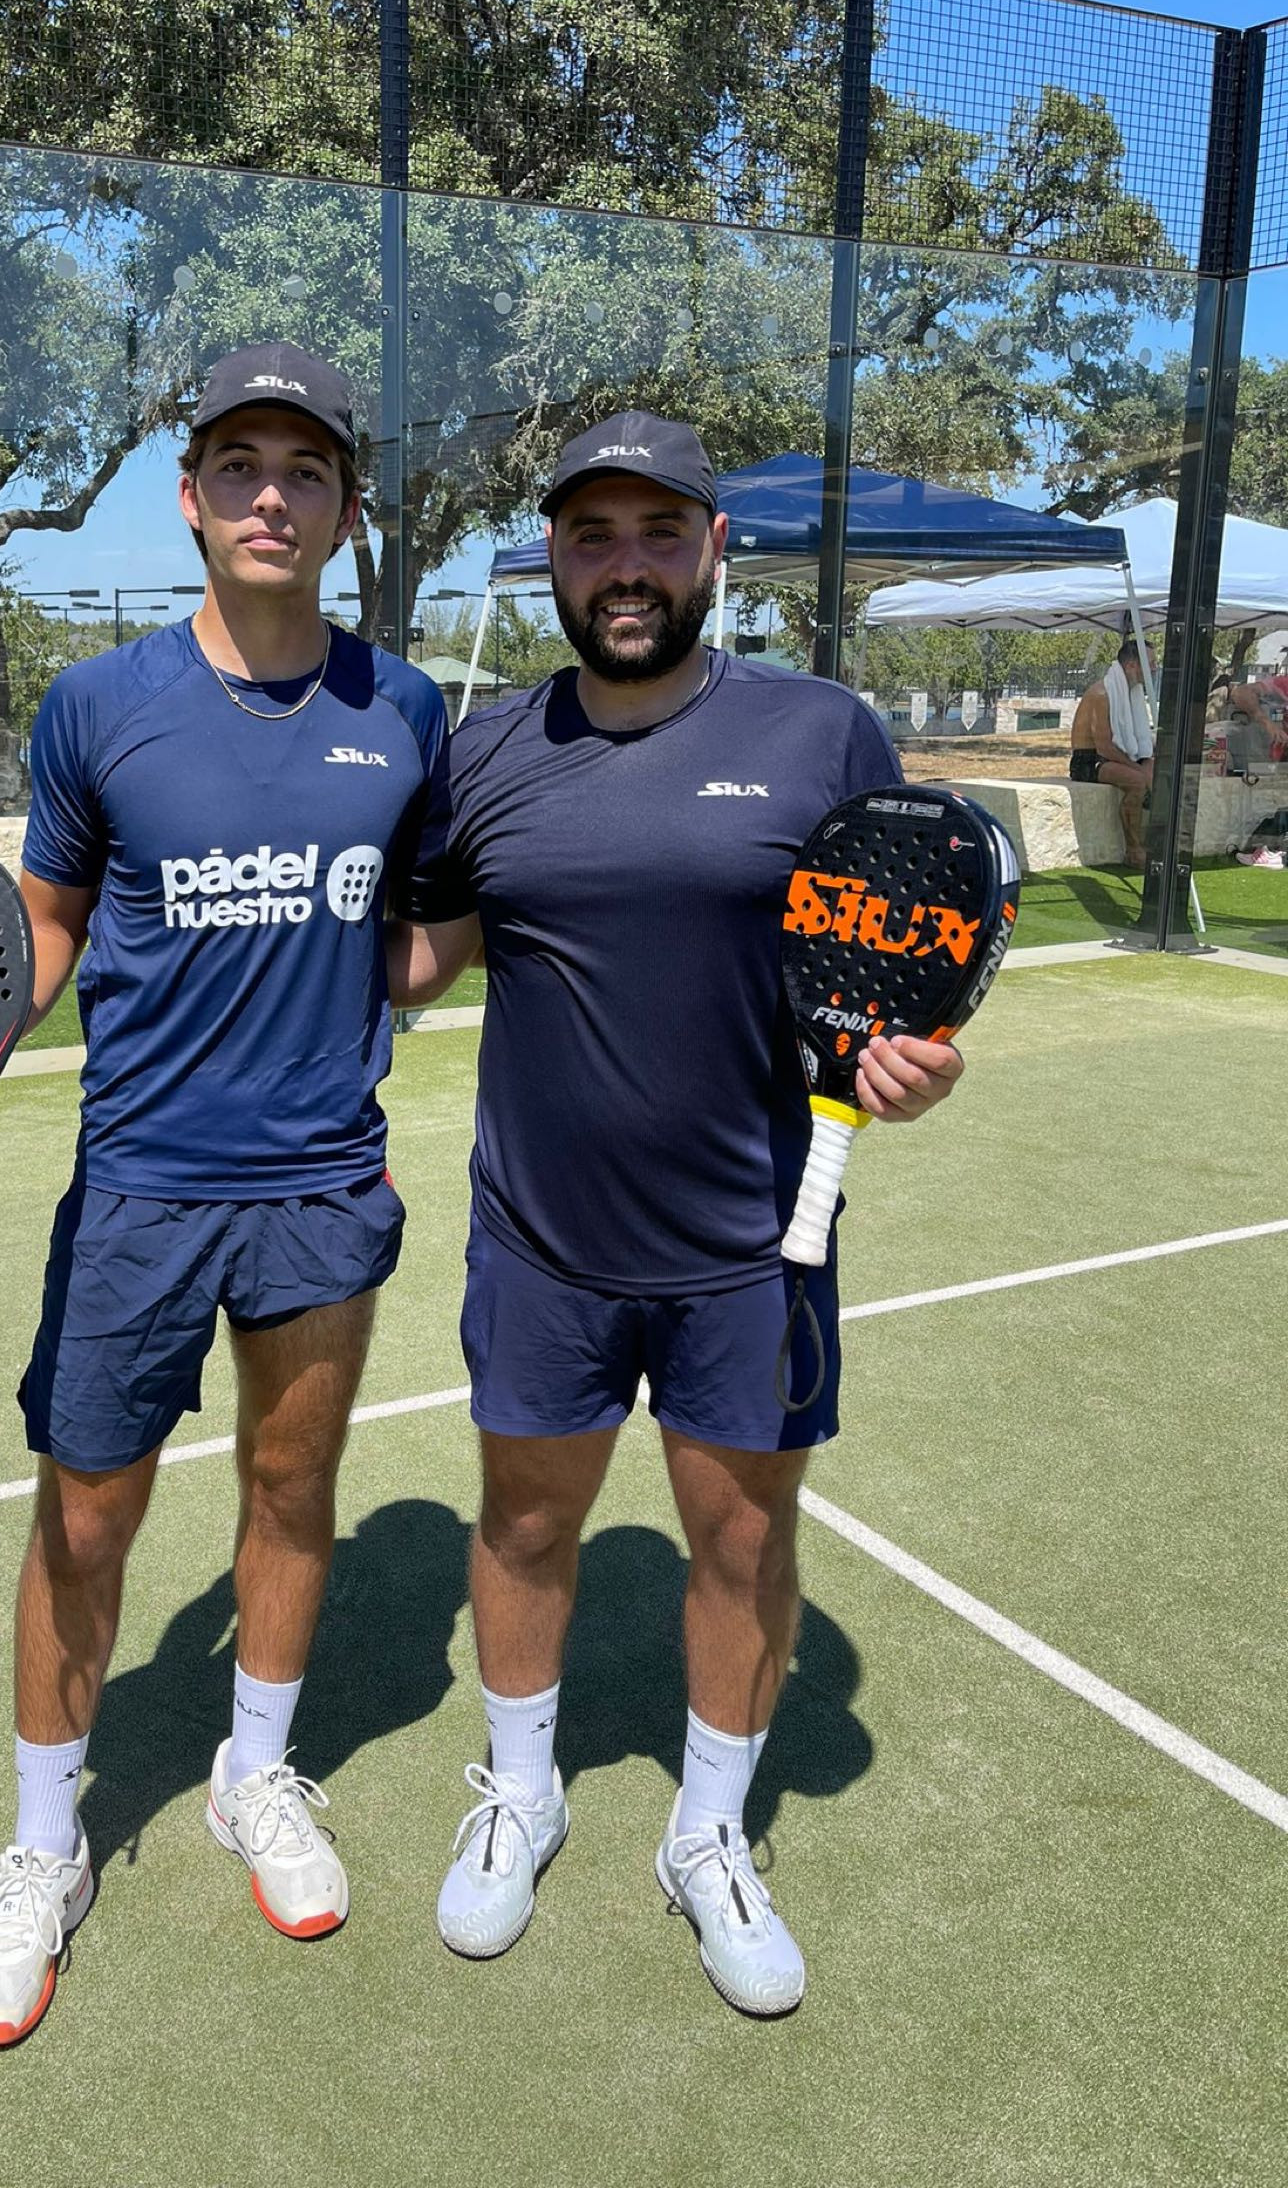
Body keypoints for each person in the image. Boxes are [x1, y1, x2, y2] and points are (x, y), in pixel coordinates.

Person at [0, 343, 451, 2046]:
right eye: (240, 464)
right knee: (86, 1521)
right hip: (142, 1193)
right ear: (190, 496)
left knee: (293, 1483)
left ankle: (256, 1774)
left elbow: (428, 926)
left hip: (322, 1185)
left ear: (345, 510)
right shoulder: (98, 705)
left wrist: (414, 961)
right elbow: (46, 923)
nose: (271, 495)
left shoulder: (405, 710)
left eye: (305, 470)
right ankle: (46, 1848)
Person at [388, 413, 963, 2016]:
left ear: (718, 548)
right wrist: (263, 944)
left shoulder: (823, 732)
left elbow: (892, 973)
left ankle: (709, 1831)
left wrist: (916, 1068)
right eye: (593, 536)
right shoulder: (487, 748)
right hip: (542, 1245)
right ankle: (524, 1792)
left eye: (658, 532)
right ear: (555, 562)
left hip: (753, 1251)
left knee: (743, 1539)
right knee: (523, 1525)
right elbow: (422, 959)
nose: (625, 565)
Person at [1069, 641, 1153, 865]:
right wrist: (1138, 770)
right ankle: (1134, 850)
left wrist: (1146, 764)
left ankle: (1157, 843)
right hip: (1089, 761)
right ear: (1132, 665)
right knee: (1137, 781)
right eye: (1151, 663)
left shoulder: (1130, 691)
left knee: (1159, 770)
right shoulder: (1102, 694)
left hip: (1111, 756)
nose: (1155, 668)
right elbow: (1104, 747)